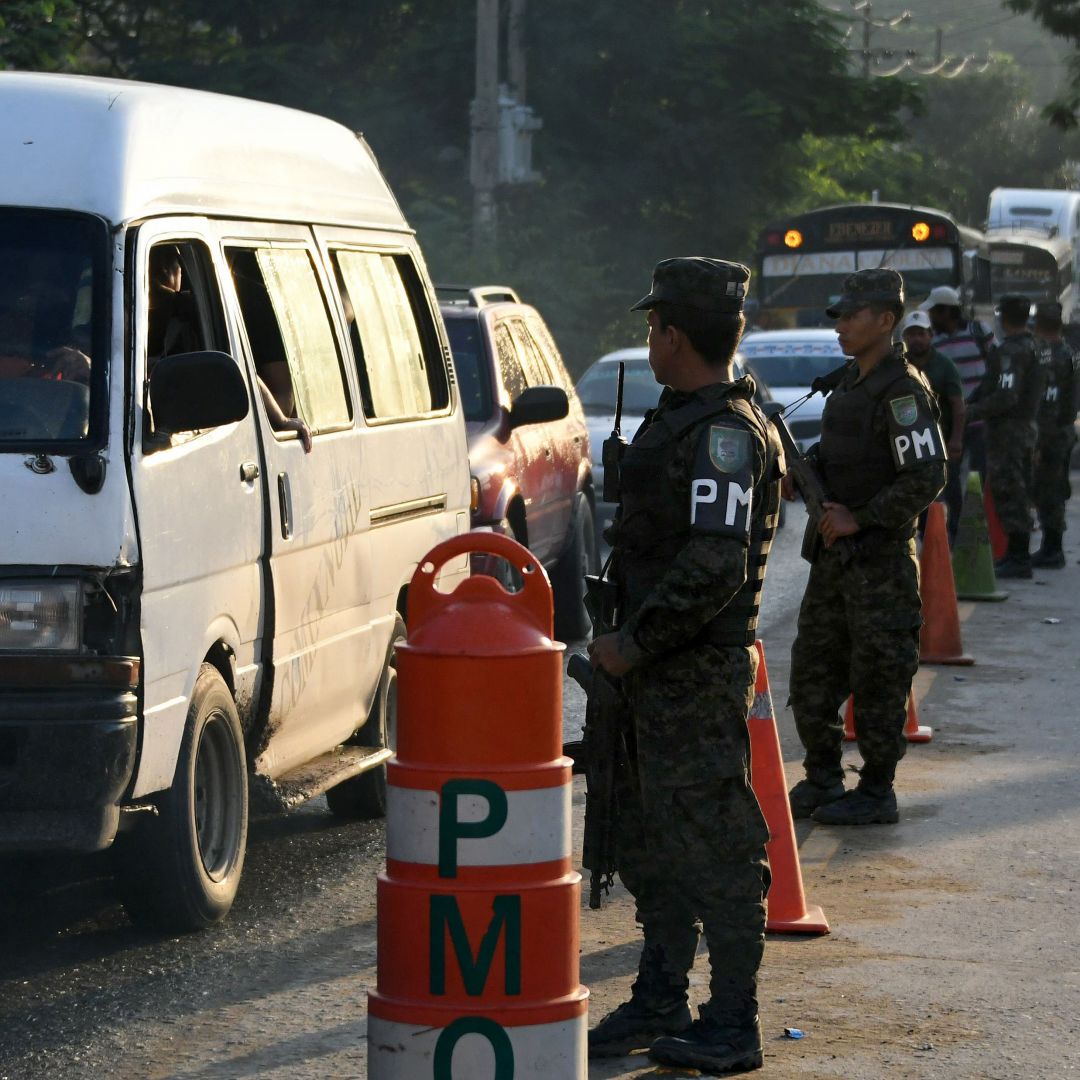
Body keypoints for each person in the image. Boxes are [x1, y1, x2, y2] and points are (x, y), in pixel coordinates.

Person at [586, 257, 783, 1074]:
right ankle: (661, 994)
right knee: (651, 842)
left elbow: (714, 565)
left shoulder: (726, 435)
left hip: (690, 673)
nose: (650, 341)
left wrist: (631, 646)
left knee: (716, 846)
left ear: (674, 335)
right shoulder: (686, 419)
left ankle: (732, 1020)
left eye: (654, 327)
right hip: (653, 678)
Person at [787, 269, 946, 827]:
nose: (842, 326)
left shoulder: (903, 391)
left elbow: (927, 476)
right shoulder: (848, 385)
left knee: (879, 681)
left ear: (886, 320)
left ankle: (877, 790)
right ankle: (823, 778)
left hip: (879, 565)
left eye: (853, 316)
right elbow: (842, 454)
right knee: (811, 674)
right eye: (840, 316)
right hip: (833, 563)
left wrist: (862, 518)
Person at [966, 294, 1044, 578]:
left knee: (1010, 491)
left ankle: (1019, 556)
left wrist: (971, 412)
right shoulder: (1034, 346)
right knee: (1017, 489)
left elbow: (1005, 395)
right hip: (1024, 429)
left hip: (1009, 431)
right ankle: (1015, 553)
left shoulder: (1011, 351)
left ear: (1003, 318)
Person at [901, 309, 966, 546]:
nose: (916, 339)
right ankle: (925, 535)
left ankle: (955, 532)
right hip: (910, 442)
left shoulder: (944, 365)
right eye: (911, 334)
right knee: (918, 491)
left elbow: (958, 405)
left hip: (943, 440)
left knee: (951, 487)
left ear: (930, 335)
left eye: (921, 333)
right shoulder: (899, 365)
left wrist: (956, 440)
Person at [924, 283, 993, 483]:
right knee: (950, 478)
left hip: (980, 421)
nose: (930, 316)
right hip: (950, 423)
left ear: (946, 311)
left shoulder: (979, 331)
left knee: (984, 476)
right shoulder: (934, 341)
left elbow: (996, 368)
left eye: (933, 311)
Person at [1030, 301, 1077, 568]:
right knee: (1055, 489)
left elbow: (1044, 402)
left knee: (1049, 491)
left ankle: (1052, 549)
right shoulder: (1070, 355)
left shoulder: (1045, 356)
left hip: (1049, 433)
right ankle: (1051, 546)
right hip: (1064, 432)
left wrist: (1039, 441)